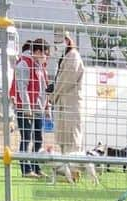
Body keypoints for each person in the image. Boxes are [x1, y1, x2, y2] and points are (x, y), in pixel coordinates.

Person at [12, 38, 51, 178]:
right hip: (26, 108)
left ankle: (36, 166)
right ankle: (26, 169)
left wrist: (47, 106)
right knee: (26, 138)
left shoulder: (40, 67)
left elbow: (43, 89)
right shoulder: (24, 64)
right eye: (45, 54)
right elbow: (21, 87)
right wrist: (26, 107)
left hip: (38, 108)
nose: (46, 57)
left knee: (38, 138)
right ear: (38, 51)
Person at [50, 32, 85, 184]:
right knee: (63, 139)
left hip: (71, 104)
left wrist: (53, 94)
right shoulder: (65, 56)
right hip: (63, 104)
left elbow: (65, 82)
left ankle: (73, 172)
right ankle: (66, 172)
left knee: (72, 139)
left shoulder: (73, 56)